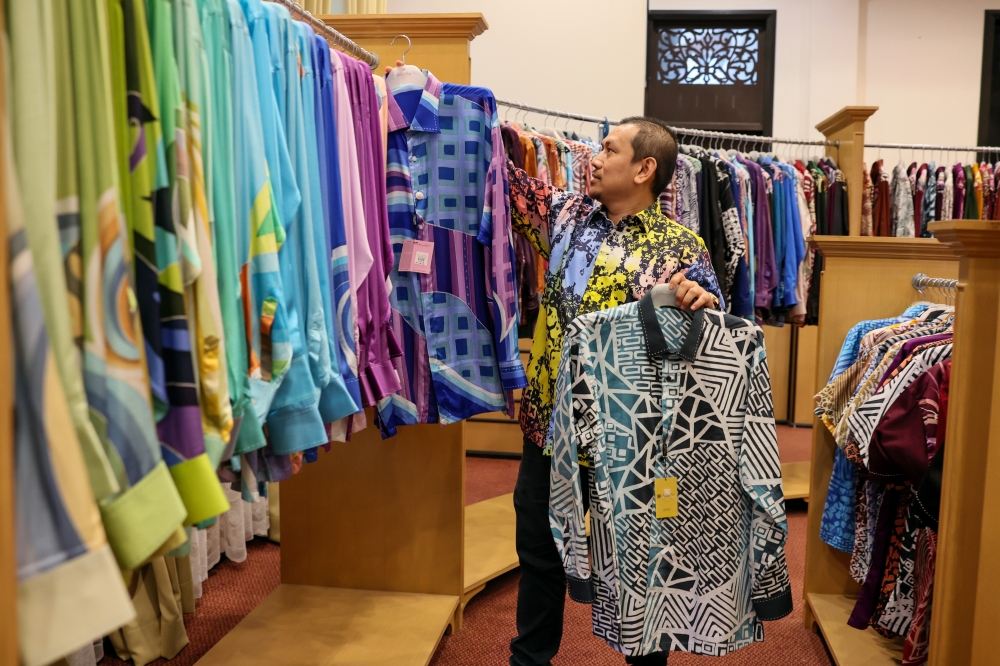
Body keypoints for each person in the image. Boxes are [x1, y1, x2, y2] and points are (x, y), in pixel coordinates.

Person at [507, 116, 724, 666]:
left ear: (644, 168)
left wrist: (703, 300)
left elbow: (714, 337)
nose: (595, 159)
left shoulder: (683, 248)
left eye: (608, 150)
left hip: (633, 439)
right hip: (551, 427)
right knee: (538, 550)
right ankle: (529, 659)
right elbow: (501, 181)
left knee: (640, 561)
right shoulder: (566, 217)